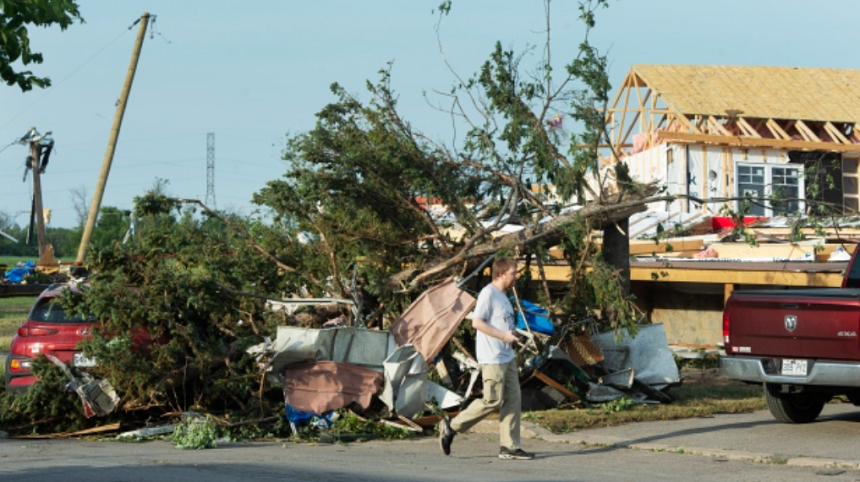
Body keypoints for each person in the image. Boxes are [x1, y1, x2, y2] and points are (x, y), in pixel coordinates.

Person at [438, 256, 534, 460]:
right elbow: (477, 323)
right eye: (513, 273)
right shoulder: (488, 294)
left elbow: (501, 323)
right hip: (492, 358)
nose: (516, 276)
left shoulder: (502, 296)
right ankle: (451, 427)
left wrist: (511, 336)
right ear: (501, 274)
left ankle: (509, 446)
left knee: (513, 400)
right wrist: (502, 336)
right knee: (492, 400)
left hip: (506, 356)